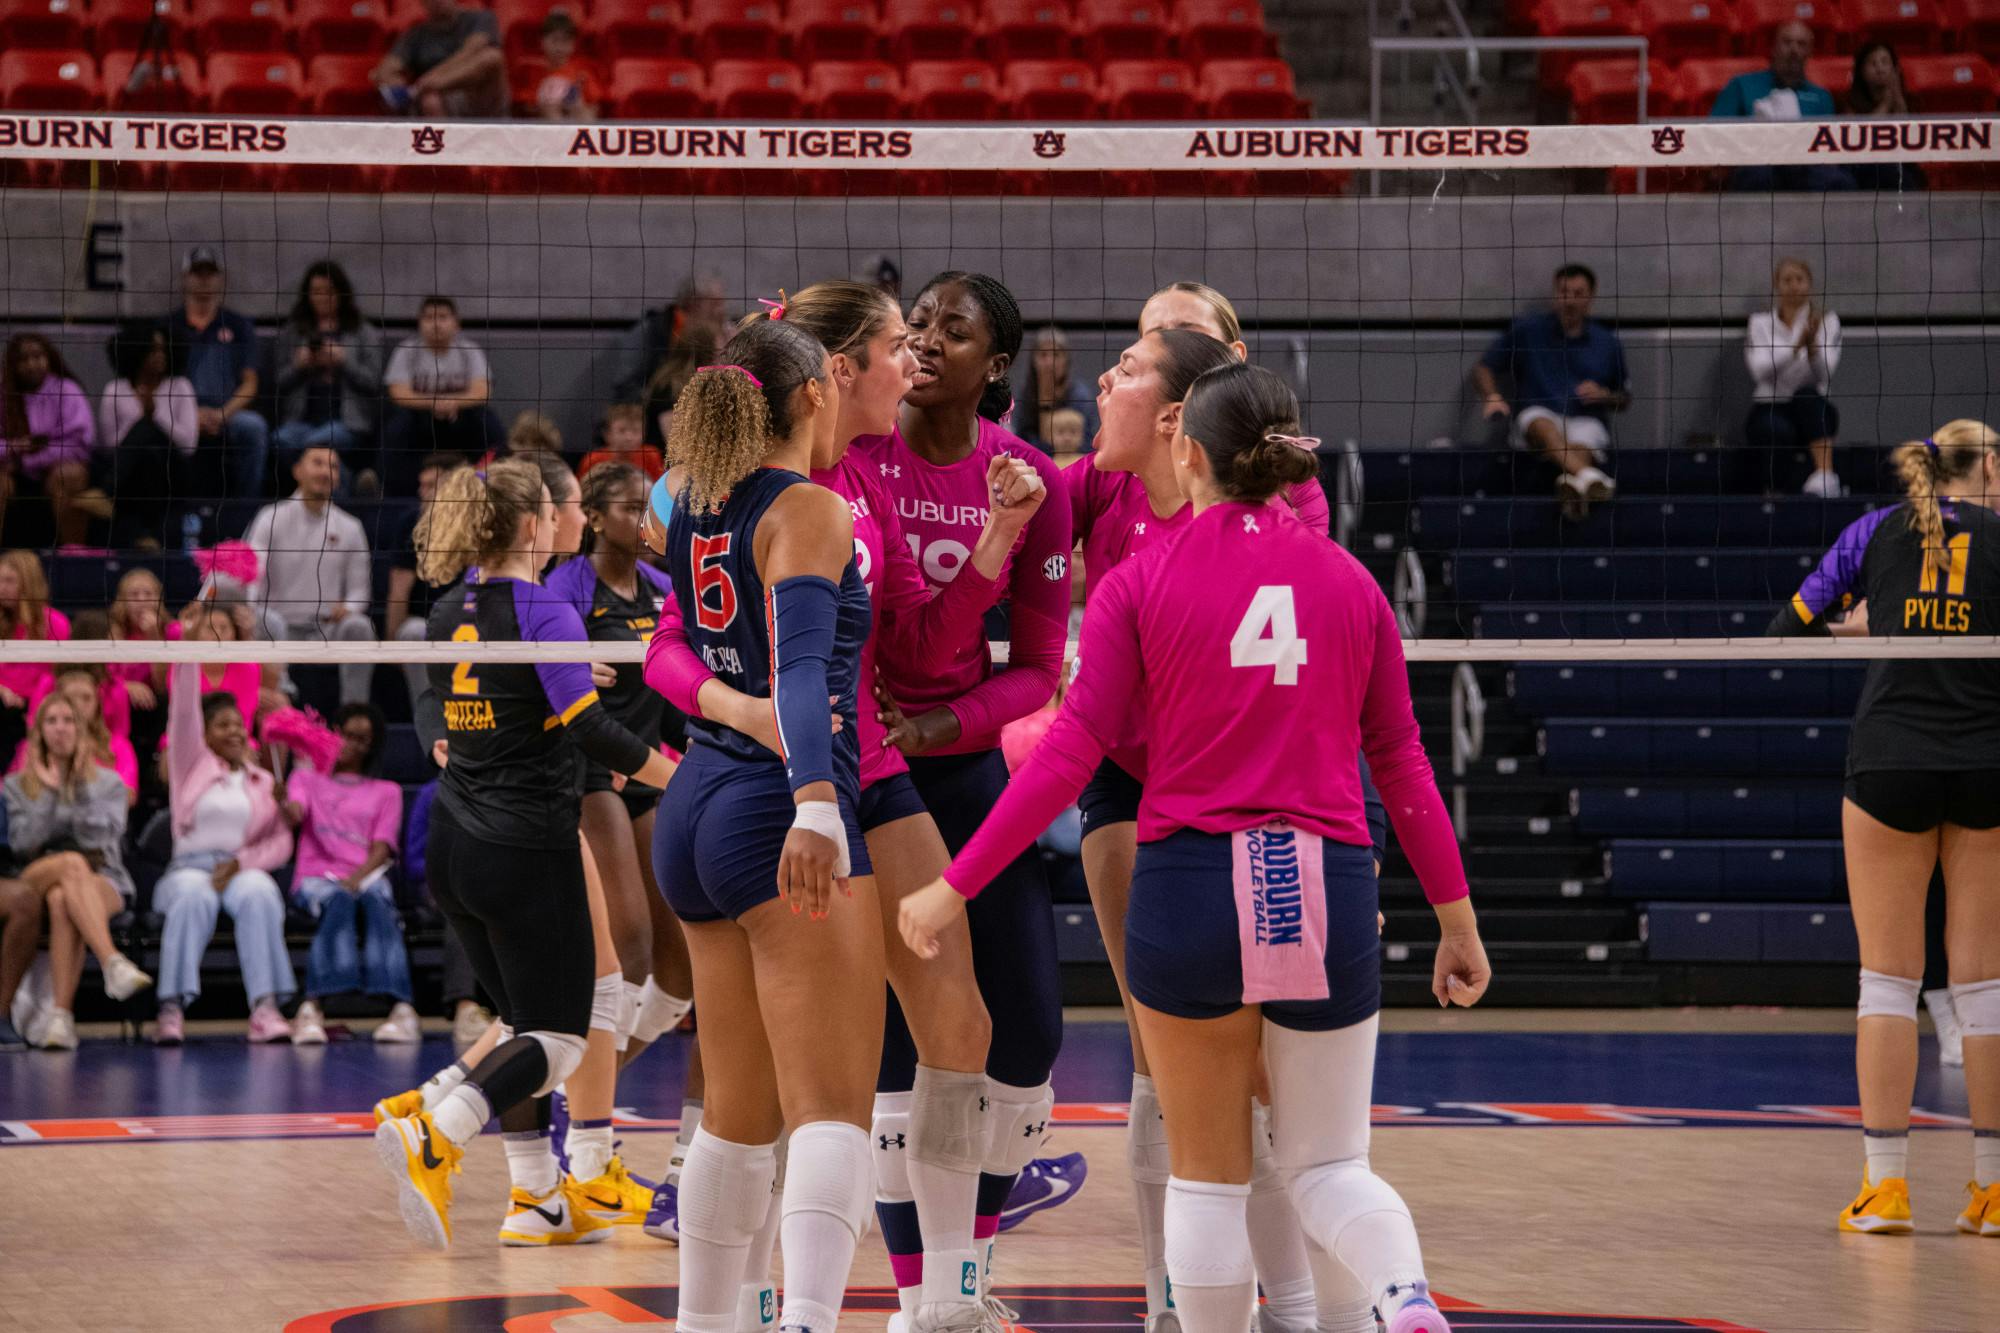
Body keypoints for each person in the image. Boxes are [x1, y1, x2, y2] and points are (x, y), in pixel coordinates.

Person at [899, 361, 1488, 1333]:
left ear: (1189, 450)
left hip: (1192, 881)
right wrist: (1456, 921)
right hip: (1322, 875)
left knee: (1207, 1182)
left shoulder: (1140, 582)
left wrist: (953, 885)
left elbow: (1065, 758)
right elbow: (1402, 763)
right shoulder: (1349, 584)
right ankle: (1403, 1294)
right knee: (1330, 1164)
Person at [642, 282, 1050, 1324]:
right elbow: (671, 647)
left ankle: (942, 1292)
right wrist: (778, 741)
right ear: (829, 375)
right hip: (800, 781)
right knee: (815, 1097)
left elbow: (912, 642)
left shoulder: (839, 482)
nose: (910, 359)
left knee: (956, 1020)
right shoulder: (776, 490)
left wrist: (999, 543)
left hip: (838, 769)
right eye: (890, 346)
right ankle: (784, 1303)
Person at [1068, 323, 1348, 1333]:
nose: (1107, 376)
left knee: (1265, 1086)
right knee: (1159, 1056)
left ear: (1184, 418)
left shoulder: (1279, 527)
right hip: (1130, 790)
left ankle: (1297, 1306)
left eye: (1132, 364)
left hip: (1241, 811)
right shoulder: (1089, 486)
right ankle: (1168, 1303)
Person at [371, 457, 673, 1251]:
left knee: (521, 1020)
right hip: (525, 844)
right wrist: (681, 774)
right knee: (563, 1036)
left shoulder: (443, 611)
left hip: (453, 843)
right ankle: (439, 1126)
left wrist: (566, 666)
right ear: (536, 523)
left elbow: (494, 699)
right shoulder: (545, 608)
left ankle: (537, 1196)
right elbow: (593, 731)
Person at [645, 318, 881, 1333]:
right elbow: (796, 675)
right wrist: (818, 804)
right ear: (811, 397)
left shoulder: (693, 504)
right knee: (833, 1108)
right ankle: (809, 1321)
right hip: (769, 811)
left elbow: (677, 652)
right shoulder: (809, 510)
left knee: (736, 1116)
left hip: (693, 804)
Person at [853, 271, 1074, 1312]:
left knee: (1025, 1026)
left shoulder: (1031, 477)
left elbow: (1037, 668)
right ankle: (923, 1298)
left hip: (964, 764)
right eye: (919, 323)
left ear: (996, 367)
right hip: (871, 774)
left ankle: (966, 1274)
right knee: (905, 1045)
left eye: (956, 329)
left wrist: (947, 721)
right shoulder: (855, 461)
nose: (928, 339)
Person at [1767, 420, 2000, 1239]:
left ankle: (1886, 1189)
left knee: (1889, 982)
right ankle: (1995, 1192)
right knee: (1985, 987)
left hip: (1890, 758)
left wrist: (1871, 628)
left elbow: (1787, 629)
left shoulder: (1876, 529)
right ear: (1992, 468)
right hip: (1988, 764)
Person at [153, 659, 297, 1045]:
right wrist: (189, 650)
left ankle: (265, 1009)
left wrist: (242, 863)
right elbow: (182, 708)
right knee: (192, 896)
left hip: (237, 868)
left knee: (261, 891)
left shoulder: (264, 781)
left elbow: (281, 842)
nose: (234, 731)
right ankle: (171, 1009)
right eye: (223, 725)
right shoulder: (191, 764)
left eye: (238, 724)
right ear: (205, 733)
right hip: (188, 869)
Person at [2, 693, 153, 1048]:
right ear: (39, 732)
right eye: (51, 721)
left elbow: (103, 838)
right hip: (35, 876)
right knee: (70, 865)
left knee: (62, 899)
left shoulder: (109, 782)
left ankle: (60, 1018)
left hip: (104, 876)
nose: (60, 729)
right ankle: (111, 962)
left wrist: (74, 787)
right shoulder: (17, 785)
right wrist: (52, 793)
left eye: (68, 721)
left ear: (81, 730)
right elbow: (25, 843)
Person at [284, 704, 418, 1045]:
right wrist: (283, 801)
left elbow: (382, 847)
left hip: (366, 876)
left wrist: (357, 879)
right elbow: (294, 814)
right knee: (339, 898)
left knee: (377, 900)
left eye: (363, 739)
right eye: (347, 735)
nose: (353, 745)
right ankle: (313, 1007)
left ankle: (401, 1010)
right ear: (333, 733)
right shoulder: (305, 778)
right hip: (316, 878)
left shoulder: (386, 791)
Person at [1473, 263, 1628, 519]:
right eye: (1564, 292)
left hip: (1586, 418)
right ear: (1555, 294)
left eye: (1578, 294)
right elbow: (1484, 368)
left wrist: (1605, 395)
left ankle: (1575, 486)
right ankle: (1593, 478)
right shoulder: (1529, 330)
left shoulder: (1607, 341)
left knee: (1583, 442)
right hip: (1539, 413)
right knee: (1541, 422)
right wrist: (1492, 397)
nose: (1570, 301)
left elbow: (1624, 397)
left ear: (1591, 296)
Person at [244, 444, 378, 708]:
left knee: (360, 626)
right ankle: (279, 702)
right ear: (297, 471)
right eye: (317, 463)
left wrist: (349, 607)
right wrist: (249, 610)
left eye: (333, 466)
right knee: (261, 618)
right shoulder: (270, 517)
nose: (326, 472)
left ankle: (354, 713)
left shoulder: (350, 527)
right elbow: (251, 573)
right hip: (278, 626)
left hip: (325, 628)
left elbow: (360, 590)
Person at [271, 260, 389, 489]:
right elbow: (278, 383)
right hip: (301, 419)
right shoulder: (293, 331)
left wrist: (343, 361)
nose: (323, 298)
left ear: (341, 293)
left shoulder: (362, 331)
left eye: (329, 292)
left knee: (316, 444)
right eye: (316, 292)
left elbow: (373, 382)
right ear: (307, 295)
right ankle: (352, 484)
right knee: (281, 441)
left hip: (347, 421)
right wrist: (300, 365)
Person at [166, 246, 269, 500]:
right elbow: (160, 384)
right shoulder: (169, 326)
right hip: (178, 412)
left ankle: (246, 509)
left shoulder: (238, 326)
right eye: (196, 272)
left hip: (227, 412)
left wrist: (222, 415)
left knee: (254, 428)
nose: (203, 279)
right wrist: (191, 415)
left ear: (220, 278)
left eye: (209, 272)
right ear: (184, 277)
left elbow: (250, 384)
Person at [1711, 22, 1853, 191]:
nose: (1794, 50)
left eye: (1801, 44)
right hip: (1758, 164)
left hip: (1807, 169)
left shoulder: (1822, 97)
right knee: (1759, 176)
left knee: (1840, 181)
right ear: (1774, 48)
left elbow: (1828, 150)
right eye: (1787, 42)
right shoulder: (1741, 85)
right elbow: (1715, 134)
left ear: (1810, 52)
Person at [383, 296, 504, 495]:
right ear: (419, 323)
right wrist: (434, 403)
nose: (436, 323)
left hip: (461, 417)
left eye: (442, 317)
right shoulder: (407, 350)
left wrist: (452, 402)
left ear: (456, 323)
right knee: (396, 426)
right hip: (420, 419)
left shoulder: (469, 350)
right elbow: (397, 392)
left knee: (490, 425)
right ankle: (397, 490)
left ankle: (491, 484)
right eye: (429, 317)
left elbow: (483, 391)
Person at [1745, 258, 1844, 498]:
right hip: (1770, 406)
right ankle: (1774, 493)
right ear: (1777, 285)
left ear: (1809, 284)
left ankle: (1825, 478)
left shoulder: (1826, 321)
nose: (1793, 285)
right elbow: (1760, 371)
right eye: (1787, 280)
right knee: (1775, 430)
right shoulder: (1759, 323)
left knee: (1808, 397)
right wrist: (1794, 349)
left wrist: (1812, 351)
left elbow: (1825, 374)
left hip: (1811, 405)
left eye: (1799, 279)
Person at [99, 319, 197, 548]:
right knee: (147, 451)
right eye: (153, 349)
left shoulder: (181, 386)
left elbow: (188, 444)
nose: (160, 355)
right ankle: (147, 535)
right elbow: (107, 444)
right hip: (132, 476)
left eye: (163, 349)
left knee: (150, 434)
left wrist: (154, 416)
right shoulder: (115, 390)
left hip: (173, 472)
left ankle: (105, 492)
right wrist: (142, 420)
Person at [0, 332, 101, 547]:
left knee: (67, 475)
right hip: (12, 470)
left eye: (37, 356)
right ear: (13, 364)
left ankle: (73, 552)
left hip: (55, 470)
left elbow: (78, 445)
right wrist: (13, 447)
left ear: (49, 357)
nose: (32, 364)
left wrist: (28, 461)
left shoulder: (67, 390)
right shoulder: (4, 395)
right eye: (23, 359)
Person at [612, 272, 729, 424]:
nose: (721, 311)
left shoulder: (722, 331)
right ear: (693, 303)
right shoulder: (652, 331)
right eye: (715, 304)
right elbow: (627, 387)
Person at [371, 0, 506, 118]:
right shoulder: (416, 34)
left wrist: (435, 78)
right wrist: (393, 81)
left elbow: (473, 49)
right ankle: (445, 145)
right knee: (431, 99)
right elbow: (387, 68)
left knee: (491, 56)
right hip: (434, 98)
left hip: (477, 94)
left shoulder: (482, 18)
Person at [0, 550, 68, 766]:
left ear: (28, 583)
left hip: (38, 703)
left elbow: (55, 676)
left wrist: (34, 711)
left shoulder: (55, 623)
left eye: (9, 581)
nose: (2, 587)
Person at [1846, 42, 1925, 191]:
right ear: (1861, 71)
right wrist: (1887, 102)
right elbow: (1864, 135)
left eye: (1884, 62)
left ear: (1895, 69)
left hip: (1902, 162)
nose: (1880, 69)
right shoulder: (1850, 102)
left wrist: (1898, 97)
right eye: (1873, 63)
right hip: (1868, 165)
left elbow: (1911, 136)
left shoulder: (1911, 100)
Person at [1019, 326, 1101, 455]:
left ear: (1066, 361)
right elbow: (1022, 445)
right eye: (1043, 355)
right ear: (1033, 361)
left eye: (1056, 355)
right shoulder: (1027, 395)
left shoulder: (1080, 396)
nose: (1049, 362)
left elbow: (1084, 446)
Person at [527, 11, 600, 121]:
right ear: (542, 41)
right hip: (543, 127)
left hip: (576, 124)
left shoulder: (583, 74)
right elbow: (527, 108)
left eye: (565, 41)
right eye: (555, 40)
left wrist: (576, 106)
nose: (559, 47)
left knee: (579, 106)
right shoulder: (533, 72)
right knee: (550, 106)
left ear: (573, 44)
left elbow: (594, 110)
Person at [578, 403, 664, 482]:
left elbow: (658, 490)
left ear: (644, 434)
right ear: (607, 434)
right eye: (621, 430)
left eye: (635, 431)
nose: (629, 437)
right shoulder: (593, 460)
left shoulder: (651, 455)